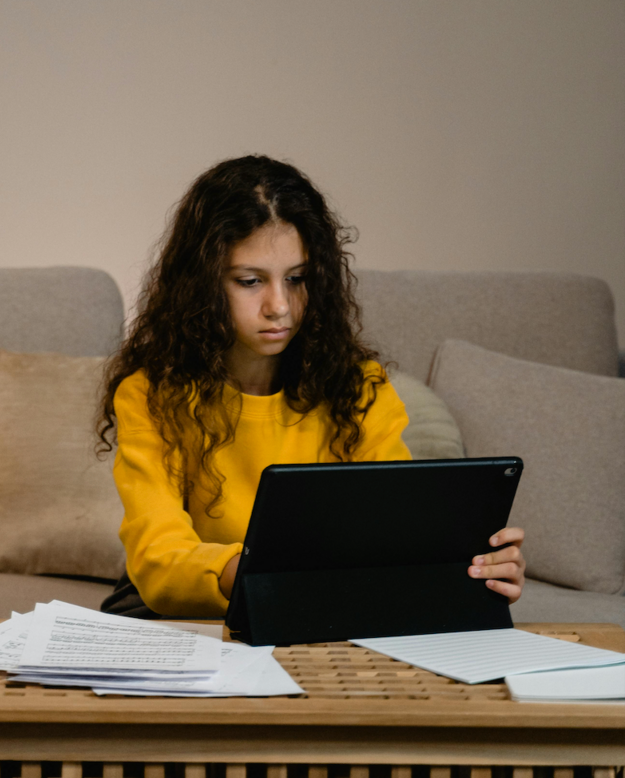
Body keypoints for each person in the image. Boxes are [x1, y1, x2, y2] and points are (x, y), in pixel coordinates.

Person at [96, 155, 525, 619]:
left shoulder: (361, 388)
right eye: (250, 281)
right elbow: (159, 556)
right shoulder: (151, 393)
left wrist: (475, 568)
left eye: (297, 279)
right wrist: (261, 573)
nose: (279, 306)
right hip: (182, 601)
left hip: (315, 595)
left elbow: (393, 533)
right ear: (200, 285)